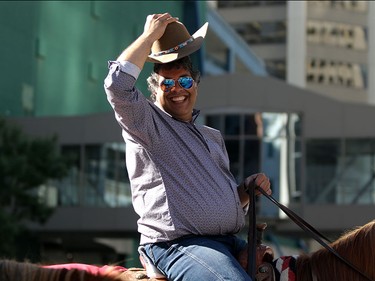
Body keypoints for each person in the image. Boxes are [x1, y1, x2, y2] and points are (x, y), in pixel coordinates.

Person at [104, 13, 272, 281]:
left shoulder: (212, 137)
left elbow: (216, 201)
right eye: (166, 83)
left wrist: (245, 191)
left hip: (226, 242)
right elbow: (117, 86)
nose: (176, 89)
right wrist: (149, 37)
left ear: (195, 84)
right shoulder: (147, 123)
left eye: (183, 80)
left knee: (298, 271)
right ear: (154, 91)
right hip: (175, 245)